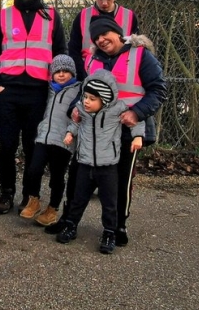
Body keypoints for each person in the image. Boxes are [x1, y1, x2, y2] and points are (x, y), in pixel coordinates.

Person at [68, 15, 167, 246]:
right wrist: (75, 108)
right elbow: (84, 90)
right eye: (96, 37)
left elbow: (159, 89)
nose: (101, 40)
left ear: (117, 32)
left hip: (126, 129)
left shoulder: (141, 55)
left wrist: (137, 112)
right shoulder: (92, 60)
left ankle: (118, 226)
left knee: (121, 181)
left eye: (105, 34)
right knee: (79, 176)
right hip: (94, 130)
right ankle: (69, 219)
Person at [0, 0, 67, 214]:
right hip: (7, 91)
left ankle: (29, 194)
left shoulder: (51, 16)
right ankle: (7, 192)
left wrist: (57, 88)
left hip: (38, 91)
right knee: (7, 146)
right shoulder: (4, 15)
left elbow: (61, 53)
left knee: (34, 147)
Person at [57, 70, 145, 254]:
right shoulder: (82, 109)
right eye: (86, 97)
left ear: (104, 99)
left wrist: (137, 137)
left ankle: (109, 232)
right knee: (78, 198)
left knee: (109, 202)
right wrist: (69, 133)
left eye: (92, 99)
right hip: (85, 163)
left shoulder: (117, 109)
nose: (87, 101)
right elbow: (75, 122)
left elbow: (136, 120)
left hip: (108, 166)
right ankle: (71, 225)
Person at [19, 54, 80, 226]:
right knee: (34, 169)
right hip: (43, 137)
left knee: (57, 177)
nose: (61, 74)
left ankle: (53, 208)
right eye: (57, 71)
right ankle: (34, 199)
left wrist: (72, 132)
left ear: (73, 73)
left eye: (66, 71)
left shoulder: (78, 90)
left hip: (63, 141)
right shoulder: (48, 89)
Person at [68, 0, 139, 80]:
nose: (104, 3)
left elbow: (135, 49)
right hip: (88, 72)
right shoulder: (83, 16)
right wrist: (81, 73)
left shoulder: (129, 16)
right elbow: (74, 48)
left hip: (120, 73)